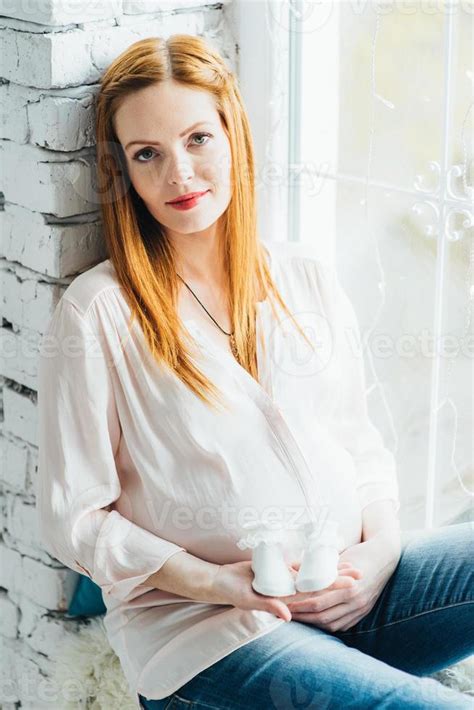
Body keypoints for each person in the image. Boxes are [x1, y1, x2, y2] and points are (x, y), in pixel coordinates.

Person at [36, 34, 473, 710]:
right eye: (147, 154)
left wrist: (380, 553)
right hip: (211, 636)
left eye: (197, 139)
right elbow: (77, 519)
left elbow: (359, 445)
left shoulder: (305, 278)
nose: (179, 174)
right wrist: (218, 583)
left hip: (353, 602)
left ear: (233, 133)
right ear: (122, 170)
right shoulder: (100, 312)